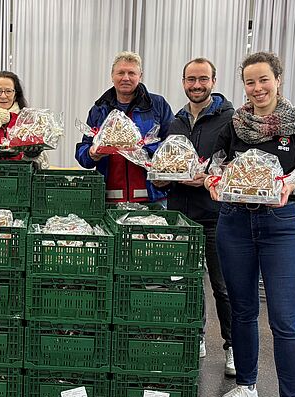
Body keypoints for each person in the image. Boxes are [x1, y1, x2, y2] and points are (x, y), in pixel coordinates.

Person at [206, 51, 295, 397]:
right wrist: (213, 180)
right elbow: (217, 165)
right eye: (250, 82)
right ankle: (246, 385)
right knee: (242, 310)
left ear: (278, 79)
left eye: (263, 80)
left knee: (285, 320)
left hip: (282, 225)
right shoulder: (235, 124)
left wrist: (292, 186)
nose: (257, 89)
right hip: (235, 222)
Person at [153, 57, 234, 375]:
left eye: (203, 79)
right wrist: (159, 177)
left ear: (214, 80)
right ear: (183, 81)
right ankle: (196, 336)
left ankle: (232, 348)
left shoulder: (231, 119)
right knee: (186, 283)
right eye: (190, 79)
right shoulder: (176, 121)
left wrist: (210, 178)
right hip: (179, 217)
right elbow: (169, 163)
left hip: (216, 215)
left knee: (223, 286)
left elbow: (237, 166)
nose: (196, 85)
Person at [75, 51, 172, 203]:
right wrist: (91, 153)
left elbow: (171, 146)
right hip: (110, 200)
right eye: (121, 72)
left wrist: (144, 150)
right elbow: (83, 155)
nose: (126, 78)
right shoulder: (99, 109)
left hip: (153, 199)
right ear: (112, 76)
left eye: (131, 73)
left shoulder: (157, 105)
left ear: (140, 76)